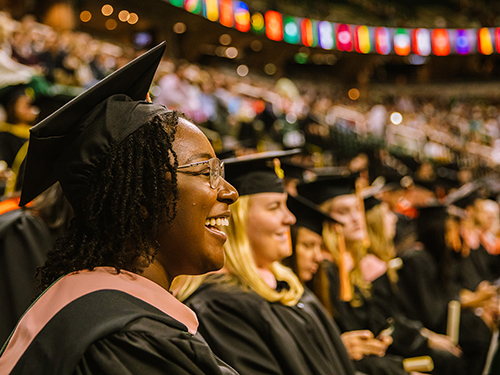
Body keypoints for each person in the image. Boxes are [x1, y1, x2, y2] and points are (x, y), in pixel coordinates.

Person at [0, 42, 240, 375]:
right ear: (143, 195)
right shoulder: (125, 338)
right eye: (206, 172)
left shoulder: (91, 308)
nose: (230, 192)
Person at [174, 151, 357, 375]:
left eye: (285, 205)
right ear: (237, 220)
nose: (290, 219)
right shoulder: (218, 305)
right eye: (274, 207)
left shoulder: (287, 286)